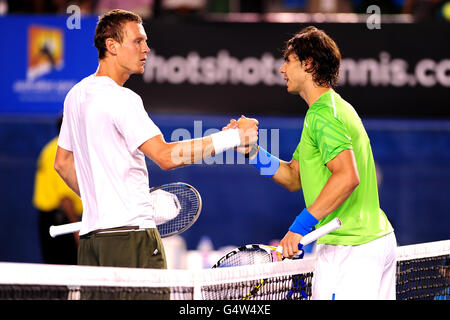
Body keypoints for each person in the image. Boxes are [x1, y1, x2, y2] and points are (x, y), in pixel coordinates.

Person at [54, 9, 257, 277]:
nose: (147, 49)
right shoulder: (122, 98)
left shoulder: (75, 95)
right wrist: (233, 137)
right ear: (111, 45)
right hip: (131, 241)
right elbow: (166, 156)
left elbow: (63, 163)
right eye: (138, 41)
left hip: (93, 243)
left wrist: (106, 201)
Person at [228, 26, 396, 300]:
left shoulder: (324, 115)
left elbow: (347, 177)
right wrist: (252, 151)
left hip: (352, 249)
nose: (282, 69)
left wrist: (299, 227)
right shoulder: (324, 111)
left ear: (308, 64)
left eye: (288, 61)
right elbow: (294, 177)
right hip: (367, 242)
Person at [33, 116, 82, 265]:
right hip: (62, 220)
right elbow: (65, 199)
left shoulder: (49, 149)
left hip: (50, 219)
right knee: (67, 270)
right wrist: (76, 231)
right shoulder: (62, 153)